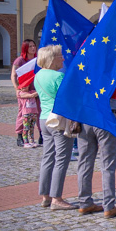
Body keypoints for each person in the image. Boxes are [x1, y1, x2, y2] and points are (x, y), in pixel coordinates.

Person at [34, 45, 74, 210]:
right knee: (61, 159)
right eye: (60, 56)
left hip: (44, 119)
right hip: (58, 119)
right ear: (52, 59)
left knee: (47, 157)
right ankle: (57, 198)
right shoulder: (58, 76)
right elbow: (67, 98)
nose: (63, 58)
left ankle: (45, 196)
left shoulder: (38, 75)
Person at [76, 121, 116, 219]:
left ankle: (85, 202)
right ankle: (109, 206)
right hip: (105, 117)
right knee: (108, 166)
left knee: (84, 163)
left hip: (85, 119)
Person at [12, 39, 37, 147]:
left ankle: (39, 136)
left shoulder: (37, 59)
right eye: (30, 46)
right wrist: (17, 88)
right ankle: (19, 136)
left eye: (34, 46)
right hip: (24, 91)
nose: (33, 48)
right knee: (22, 114)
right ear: (25, 48)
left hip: (36, 90)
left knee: (36, 113)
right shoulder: (20, 60)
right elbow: (13, 75)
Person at [17, 73, 40, 148]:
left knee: (31, 128)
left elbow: (34, 93)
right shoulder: (21, 94)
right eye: (23, 87)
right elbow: (31, 95)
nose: (25, 88)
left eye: (26, 86)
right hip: (26, 113)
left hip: (33, 113)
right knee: (26, 128)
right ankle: (25, 141)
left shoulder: (31, 91)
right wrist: (41, 90)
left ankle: (32, 141)